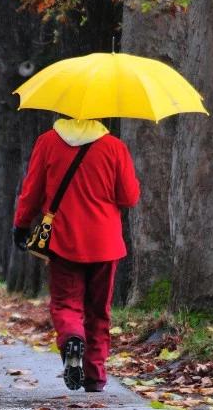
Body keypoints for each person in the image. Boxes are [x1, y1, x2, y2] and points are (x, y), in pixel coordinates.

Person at [13, 118, 139, 392]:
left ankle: (72, 338)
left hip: (63, 238)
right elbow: (129, 197)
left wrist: (21, 224)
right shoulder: (115, 147)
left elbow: (32, 190)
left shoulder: (47, 142)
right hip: (105, 242)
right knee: (99, 310)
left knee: (66, 304)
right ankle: (95, 375)